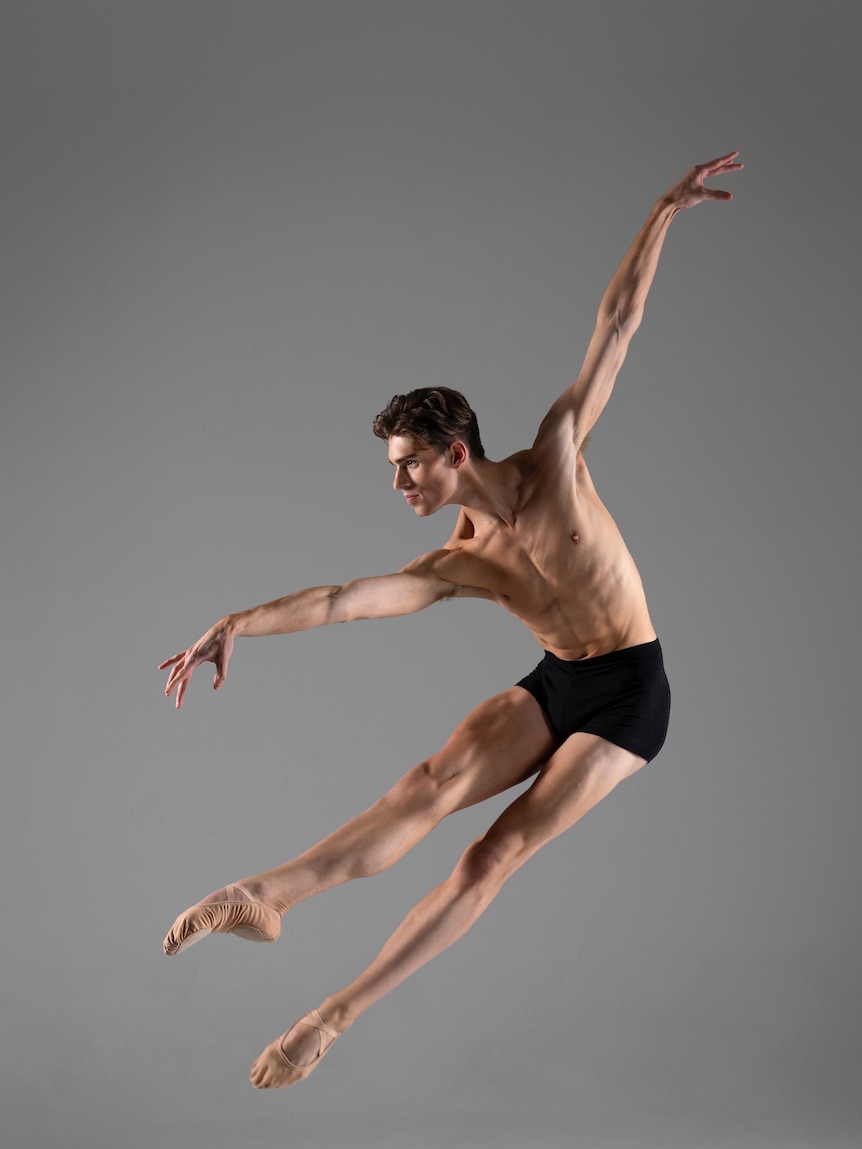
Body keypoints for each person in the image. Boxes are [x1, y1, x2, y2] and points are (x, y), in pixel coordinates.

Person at [160, 152, 742, 1090]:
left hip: (632, 692)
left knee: (490, 853)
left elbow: (617, 323)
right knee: (423, 784)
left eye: (406, 467)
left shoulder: (556, 460)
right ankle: (263, 896)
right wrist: (239, 621)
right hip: (560, 679)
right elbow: (346, 599)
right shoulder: (457, 562)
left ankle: (330, 1016)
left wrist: (664, 212)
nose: (396, 484)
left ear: (454, 452)